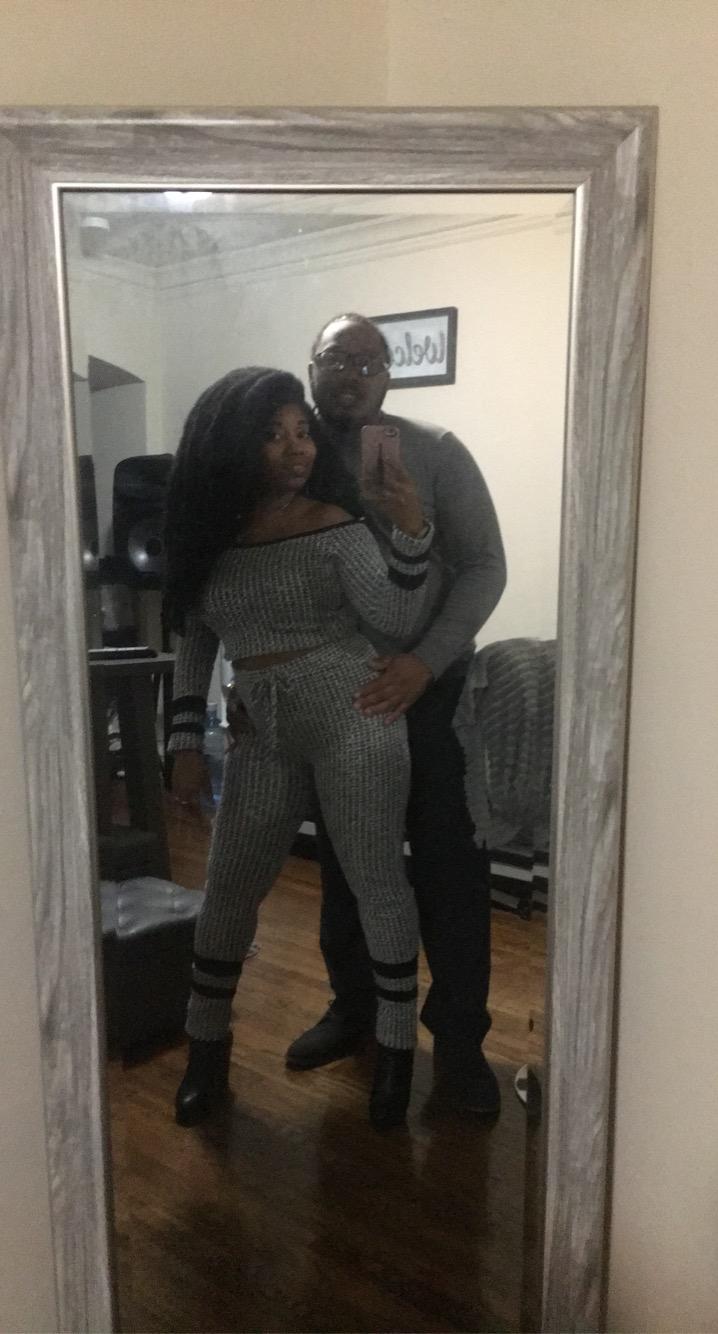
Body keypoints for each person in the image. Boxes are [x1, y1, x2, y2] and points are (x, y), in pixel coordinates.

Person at [233, 314, 507, 1117]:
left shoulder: (437, 450)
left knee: (450, 871)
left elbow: (486, 566)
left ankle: (460, 1045)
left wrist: (426, 662)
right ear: (310, 367)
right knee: (349, 866)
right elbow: (257, 571)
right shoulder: (293, 462)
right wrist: (248, 676)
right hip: (340, 696)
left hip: (434, 694)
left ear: (390, 375)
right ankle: (354, 1010)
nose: (352, 374)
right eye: (336, 359)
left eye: (369, 362)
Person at [164, 366, 434, 1131]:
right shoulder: (209, 540)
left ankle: (394, 1053)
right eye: (274, 435)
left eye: (302, 432)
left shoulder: (335, 522)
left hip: (355, 712)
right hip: (260, 733)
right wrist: (184, 740)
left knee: (377, 880)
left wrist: (411, 529)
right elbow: (196, 642)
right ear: (229, 445)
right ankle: (205, 1054)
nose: (297, 449)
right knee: (228, 890)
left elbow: (395, 619)